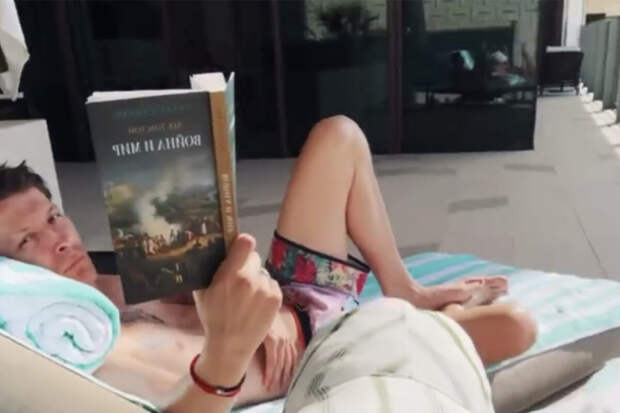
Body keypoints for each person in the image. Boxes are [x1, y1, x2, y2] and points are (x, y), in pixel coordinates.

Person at [0, 116, 536, 411]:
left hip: (299, 300)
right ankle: (420, 318)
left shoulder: (121, 276)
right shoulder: (76, 343)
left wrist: (266, 293)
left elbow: (224, 278)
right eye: (27, 242)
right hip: (323, 350)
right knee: (517, 325)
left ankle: (405, 291)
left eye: (53, 217)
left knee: (339, 136)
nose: (60, 241)